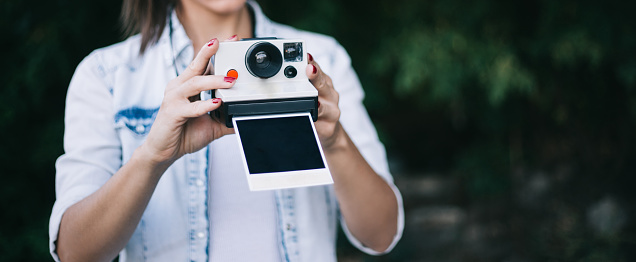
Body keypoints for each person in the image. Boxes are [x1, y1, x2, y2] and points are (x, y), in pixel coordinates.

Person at [49, 0, 404, 261]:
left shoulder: (321, 59)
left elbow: (381, 234)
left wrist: (336, 141)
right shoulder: (107, 76)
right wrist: (152, 157)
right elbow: (75, 252)